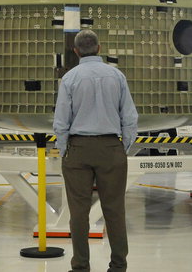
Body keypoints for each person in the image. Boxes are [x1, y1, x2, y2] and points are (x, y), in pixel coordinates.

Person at [53, 30, 138, 272]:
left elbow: (61, 122)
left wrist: (65, 150)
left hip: (78, 149)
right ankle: (118, 265)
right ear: (99, 48)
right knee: (114, 209)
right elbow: (130, 118)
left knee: (78, 212)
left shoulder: (70, 78)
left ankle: (80, 266)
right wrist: (122, 148)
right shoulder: (117, 76)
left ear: (76, 51)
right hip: (111, 147)